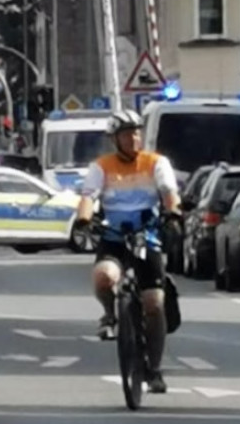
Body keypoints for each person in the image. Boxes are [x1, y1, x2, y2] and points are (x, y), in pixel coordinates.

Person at [74, 109, 182, 395]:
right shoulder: (102, 166)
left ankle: (155, 369)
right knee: (103, 277)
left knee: (154, 303)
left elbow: (169, 191)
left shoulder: (156, 163)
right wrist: (84, 220)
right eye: (126, 134)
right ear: (115, 139)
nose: (133, 138)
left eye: (136, 133)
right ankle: (110, 314)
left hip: (146, 236)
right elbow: (88, 196)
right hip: (114, 236)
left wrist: (172, 215)